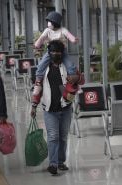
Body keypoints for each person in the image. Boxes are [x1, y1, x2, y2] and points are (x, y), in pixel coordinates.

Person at [31, 40, 84, 175]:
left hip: (65, 107)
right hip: (50, 109)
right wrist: (34, 105)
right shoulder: (44, 68)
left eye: (58, 51)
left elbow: (82, 80)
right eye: (53, 51)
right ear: (49, 53)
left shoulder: (68, 66)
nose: (56, 54)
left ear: (62, 53)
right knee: (53, 136)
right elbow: (38, 88)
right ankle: (53, 164)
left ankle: (61, 161)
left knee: (63, 137)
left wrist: (76, 78)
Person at [34, 11, 79, 101]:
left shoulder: (63, 30)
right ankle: (38, 82)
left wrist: (74, 40)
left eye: (50, 21)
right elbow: (41, 38)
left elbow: (69, 36)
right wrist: (37, 45)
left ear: (55, 22)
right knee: (41, 65)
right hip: (50, 52)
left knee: (71, 66)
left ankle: (71, 83)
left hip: (62, 52)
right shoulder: (47, 30)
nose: (48, 23)